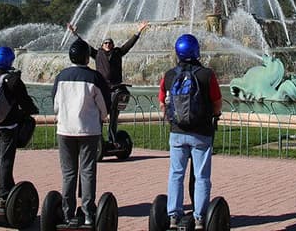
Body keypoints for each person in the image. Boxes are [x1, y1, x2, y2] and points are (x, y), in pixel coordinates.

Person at [159, 33, 222, 229]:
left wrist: (171, 116)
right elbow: (217, 103)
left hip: (177, 132)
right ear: (196, 51)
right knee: (202, 176)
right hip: (201, 133)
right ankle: (200, 217)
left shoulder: (169, 75)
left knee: (176, 173)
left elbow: (162, 101)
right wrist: (213, 114)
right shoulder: (206, 74)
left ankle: (173, 215)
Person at [52, 38, 111, 228]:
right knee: (87, 171)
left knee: (68, 173)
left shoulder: (61, 76)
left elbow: (55, 105)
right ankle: (87, 212)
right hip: (88, 130)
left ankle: (67, 213)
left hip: (65, 130)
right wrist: (102, 116)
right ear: (87, 58)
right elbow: (104, 106)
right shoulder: (95, 78)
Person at [68, 20, 148, 144]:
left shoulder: (117, 52)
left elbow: (129, 44)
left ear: (113, 44)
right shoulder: (97, 53)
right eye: (106, 42)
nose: (108, 44)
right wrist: (75, 34)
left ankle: (113, 138)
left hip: (116, 89)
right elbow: (84, 45)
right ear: (102, 44)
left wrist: (139, 31)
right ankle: (98, 139)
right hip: (102, 89)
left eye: (110, 43)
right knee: (99, 115)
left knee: (114, 116)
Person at [0, 46, 39, 210]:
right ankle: (4, 196)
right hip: (8, 128)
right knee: (6, 161)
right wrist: (32, 110)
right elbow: (25, 101)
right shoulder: (12, 80)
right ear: (10, 60)